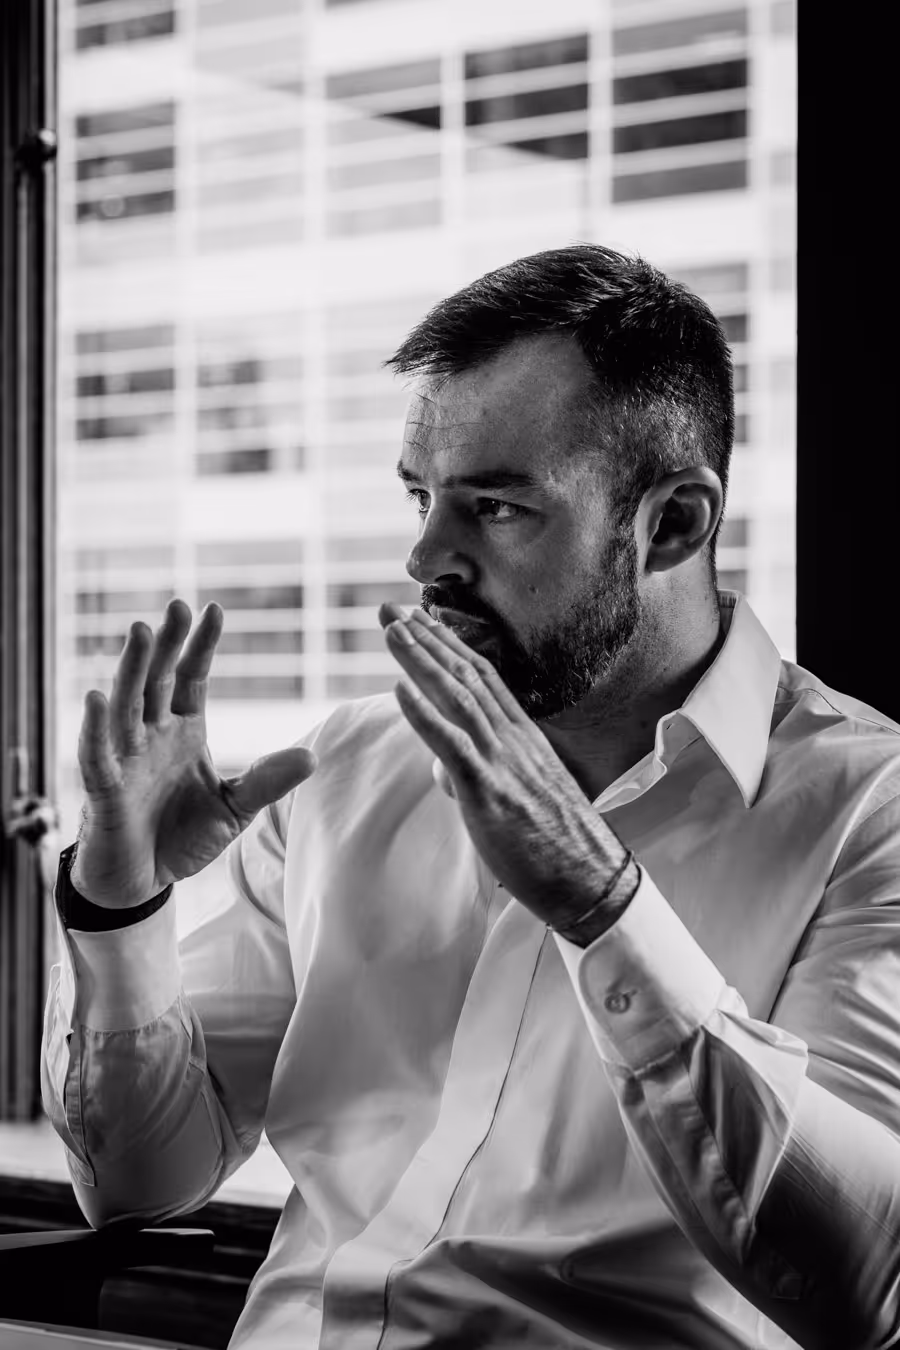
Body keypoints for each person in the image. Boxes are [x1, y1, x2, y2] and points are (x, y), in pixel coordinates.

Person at [42, 244, 900, 1350]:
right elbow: (138, 1183)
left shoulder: (868, 810)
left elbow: (867, 1290)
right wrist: (121, 908)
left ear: (675, 524)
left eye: (493, 508)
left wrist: (603, 905)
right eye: (420, 497)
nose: (423, 557)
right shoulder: (344, 768)